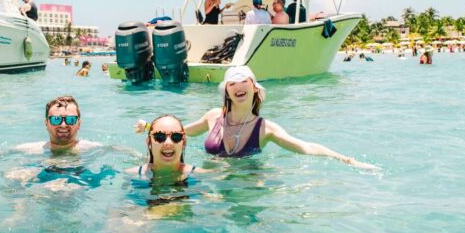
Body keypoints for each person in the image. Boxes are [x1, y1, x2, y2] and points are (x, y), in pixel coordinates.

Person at [136, 66, 377, 169]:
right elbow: (181, 132)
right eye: (233, 83)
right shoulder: (212, 117)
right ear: (227, 90)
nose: (239, 87)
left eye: (245, 82)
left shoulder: (266, 129)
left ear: (254, 88)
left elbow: (305, 147)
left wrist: (345, 159)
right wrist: (148, 126)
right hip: (212, 180)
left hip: (247, 184)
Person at [127, 114, 196, 183]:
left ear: (184, 142)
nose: (168, 143)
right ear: (149, 142)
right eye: (159, 136)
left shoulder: (200, 175)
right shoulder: (130, 175)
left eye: (176, 136)